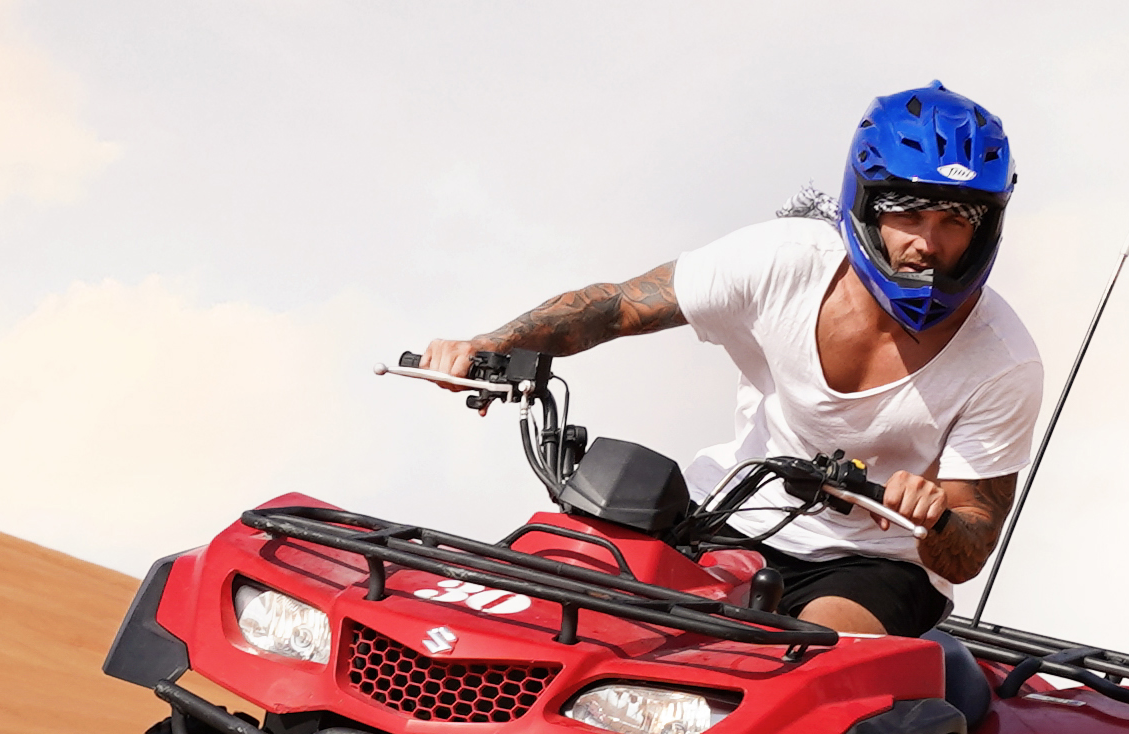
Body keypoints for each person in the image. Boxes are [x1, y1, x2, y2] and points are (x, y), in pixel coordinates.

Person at [419, 85, 1040, 638]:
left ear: (985, 228)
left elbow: (972, 543)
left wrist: (933, 520)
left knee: (799, 667)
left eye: (954, 221)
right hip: (726, 512)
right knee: (552, 604)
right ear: (866, 203)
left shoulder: (1002, 361)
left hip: (874, 567)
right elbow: (617, 307)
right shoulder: (784, 262)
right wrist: (493, 345)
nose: (926, 244)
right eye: (906, 212)